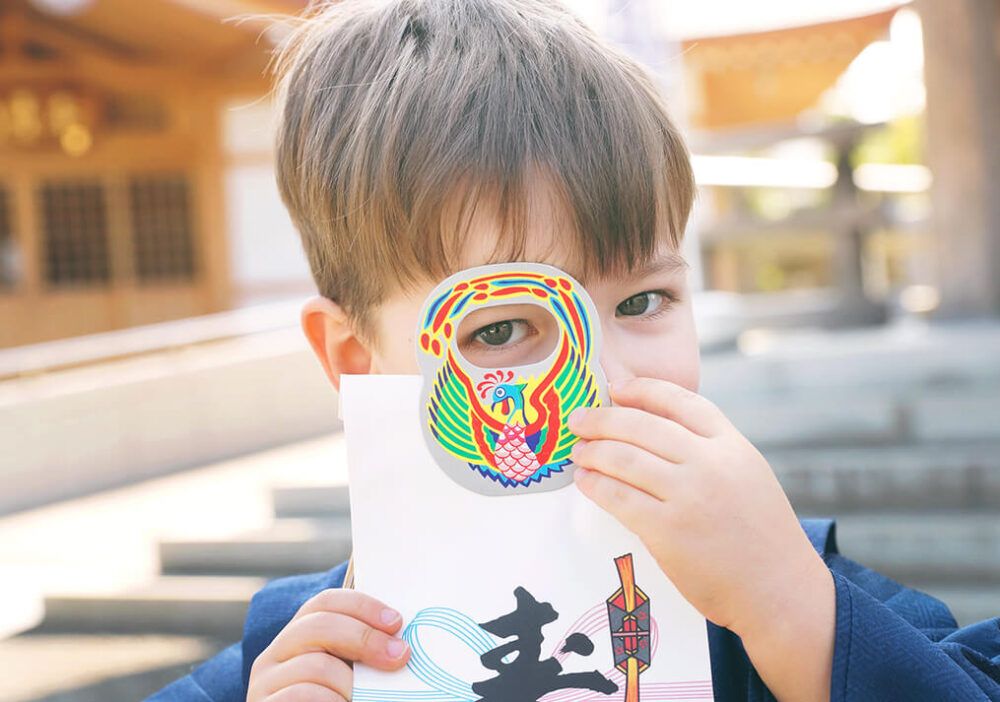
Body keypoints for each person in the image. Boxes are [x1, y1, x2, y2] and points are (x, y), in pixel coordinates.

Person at [151, 0, 1000, 700]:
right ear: (351, 358)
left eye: (643, 301)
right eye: (500, 330)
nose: (601, 382)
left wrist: (796, 616)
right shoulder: (303, 657)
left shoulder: (786, 592)